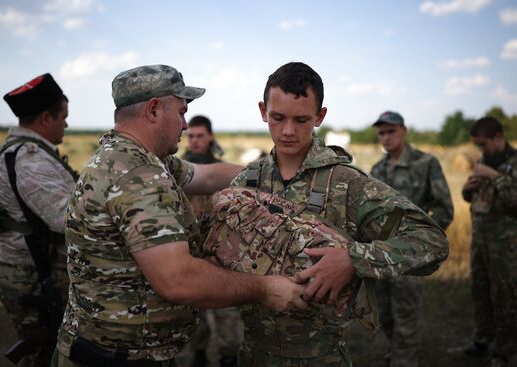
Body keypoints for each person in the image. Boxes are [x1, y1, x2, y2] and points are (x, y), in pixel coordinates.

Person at [53, 64, 307, 367]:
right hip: (120, 357)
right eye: (181, 112)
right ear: (153, 110)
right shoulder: (137, 175)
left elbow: (208, 177)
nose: (185, 125)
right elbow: (178, 280)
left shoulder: (136, 157)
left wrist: (277, 177)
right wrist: (265, 288)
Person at [201, 62, 450, 366]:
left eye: (302, 119)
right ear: (263, 111)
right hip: (254, 353)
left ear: (320, 116)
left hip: (322, 357)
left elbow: (432, 241)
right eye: (277, 118)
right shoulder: (247, 181)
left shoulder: (347, 183)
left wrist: (353, 259)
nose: (288, 131)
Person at [0, 73, 76, 366]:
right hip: (32, 274)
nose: (66, 123)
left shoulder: (33, 152)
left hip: (35, 269)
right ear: (45, 119)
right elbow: (65, 218)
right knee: (43, 353)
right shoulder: (30, 159)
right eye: (63, 116)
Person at [370, 111, 454, 367]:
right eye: (381, 133)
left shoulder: (426, 163)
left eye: (391, 131)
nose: (386, 137)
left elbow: (444, 208)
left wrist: (421, 239)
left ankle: (404, 360)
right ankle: (397, 352)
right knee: (385, 314)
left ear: (404, 131)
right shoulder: (378, 168)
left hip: (410, 258)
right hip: (381, 255)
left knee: (405, 316)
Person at [451, 117, 517, 367]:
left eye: (484, 144)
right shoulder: (484, 161)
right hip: (481, 241)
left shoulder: (513, 162)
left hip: (506, 245)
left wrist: (494, 176)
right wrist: (469, 187)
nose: (480, 151)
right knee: (480, 291)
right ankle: (482, 340)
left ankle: (504, 350)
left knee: (505, 297)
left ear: (498, 137)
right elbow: (474, 199)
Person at [180, 116, 242, 367]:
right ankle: (199, 356)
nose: (195, 140)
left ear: (210, 137)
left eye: (200, 135)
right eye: (191, 135)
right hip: (191, 256)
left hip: (221, 256)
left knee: (227, 314)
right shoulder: (179, 173)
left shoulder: (221, 172)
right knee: (196, 316)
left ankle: (229, 357)